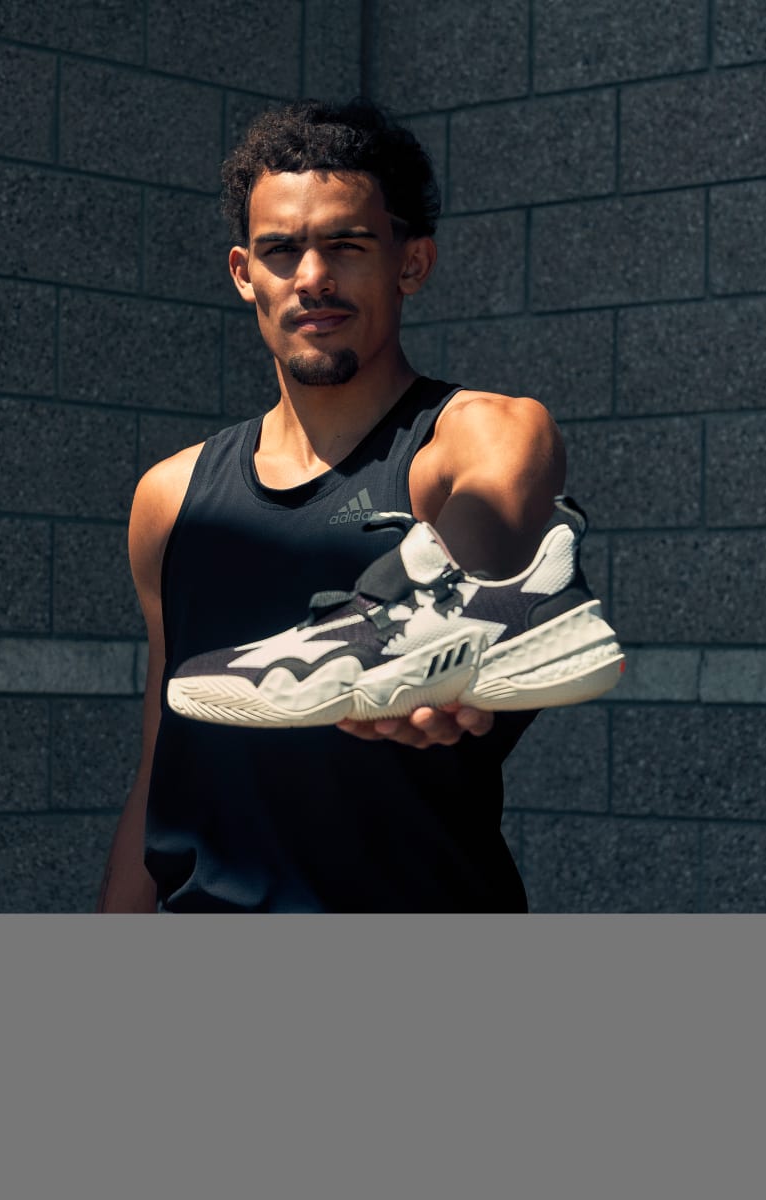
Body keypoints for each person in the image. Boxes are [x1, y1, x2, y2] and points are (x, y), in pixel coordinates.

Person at [97, 99, 567, 913]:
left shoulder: (470, 436)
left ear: (410, 263)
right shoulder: (170, 499)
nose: (312, 277)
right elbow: (162, 768)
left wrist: (450, 619)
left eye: (346, 246)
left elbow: (499, 494)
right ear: (244, 273)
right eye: (281, 250)